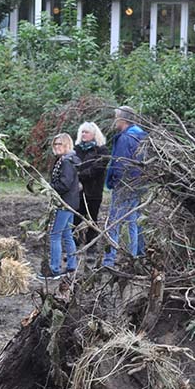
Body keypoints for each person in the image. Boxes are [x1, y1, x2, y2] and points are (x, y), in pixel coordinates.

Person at [103, 106, 148, 268]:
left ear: (122, 119)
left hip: (124, 187)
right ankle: (137, 256)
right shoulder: (142, 136)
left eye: (115, 117)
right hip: (139, 185)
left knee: (114, 223)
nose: (114, 120)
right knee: (134, 222)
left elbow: (119, 164)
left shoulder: (125, 138)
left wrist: (115, 182)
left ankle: (109, 261)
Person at [45, 133, 80, 279]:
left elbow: (65, 184)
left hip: (64, 203)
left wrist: (49, 187)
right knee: (67, 235)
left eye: (60, 144)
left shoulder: (66, 162)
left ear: (67, 145)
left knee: (55, 235)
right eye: (55, 144)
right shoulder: (68, 160)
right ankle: (71, 266)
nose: (57, 147)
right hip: (70, 202)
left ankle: (54, 269)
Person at [73, 121, 108, 247]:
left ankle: (91, 246)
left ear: (94, 134)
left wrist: (80, 175)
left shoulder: (102, 150)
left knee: (92, 219)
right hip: (77, 191)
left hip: (93, 191)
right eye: (82, 132)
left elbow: (98, 169)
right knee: (75, 218)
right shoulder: (75, 149)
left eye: (86, 132)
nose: (83, 134)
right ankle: (74, 245)